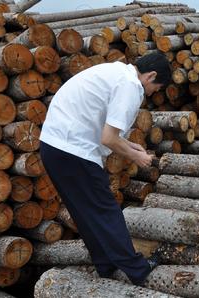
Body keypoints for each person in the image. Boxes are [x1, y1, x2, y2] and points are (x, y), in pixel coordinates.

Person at [39, 53, 171, 285]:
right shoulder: (130, 85)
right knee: (106, 209)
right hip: (73, 149)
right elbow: (109, 138)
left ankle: (105, 265)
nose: (153, 93)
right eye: (156, 88)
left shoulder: (115, 73)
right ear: (151, 76)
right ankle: (138, 269)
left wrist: (131, 145)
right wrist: (136, 157)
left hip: (53, 146)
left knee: (85, 212)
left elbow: (106, 130)